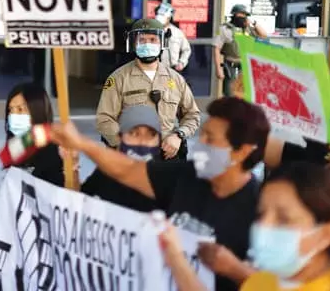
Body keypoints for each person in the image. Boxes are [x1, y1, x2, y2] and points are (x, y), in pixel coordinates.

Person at [52, 97, 271, 291]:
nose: (199, 144)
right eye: (201, 135)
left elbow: (275, 285)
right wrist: (81, 144)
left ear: (241, 151)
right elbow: (128, 170)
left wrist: (234, 269)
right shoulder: (186, 175)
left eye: (210, 139)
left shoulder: (263, 212)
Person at [160, 162, 330, 291]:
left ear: (325, 234)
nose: (264, 228)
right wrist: (175, 257)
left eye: (284, 219)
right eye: (261, 214)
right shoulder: (263, 282)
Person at [96, 18, 200, 160]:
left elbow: (192, 115)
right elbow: (104, 118)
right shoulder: (118, 78)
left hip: (168, 155)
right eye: (142, 40)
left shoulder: (176, 79)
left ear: (162, 42)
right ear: (134, 43)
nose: (147, 44)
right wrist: (125, 144)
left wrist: (178, 135)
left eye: (153, 39)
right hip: (131, 158)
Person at [82, 105, 162, 212]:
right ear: (120, 137)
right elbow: (79, 203)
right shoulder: (106, 171)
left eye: (150, 135)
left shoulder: (170, 177)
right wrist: (73, 169)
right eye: (134, 134)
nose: (143, 142)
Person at [5, 82, 65, 186]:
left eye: (20, 109)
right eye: (10, 110)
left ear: (37, 111)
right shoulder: (16, 146)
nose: (13, 115)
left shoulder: (53, 152)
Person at [214, 4, 267, 97]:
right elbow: (216, 49)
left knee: (245, 95)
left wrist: (254, 23)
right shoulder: (225, 29)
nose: (243, 17)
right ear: (234, 15)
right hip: (231, 66)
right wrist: (218, 69)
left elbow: (263, 35)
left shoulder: (248, 29)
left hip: (245, 67)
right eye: (241, 15)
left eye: (245, 15)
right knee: (230, 94)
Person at [154, 2, 192, 73]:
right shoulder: (151, 32)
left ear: (169, 18)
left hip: (173, 70)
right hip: (155, 70)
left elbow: (186, 50)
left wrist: (182, 63)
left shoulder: (177, 33)